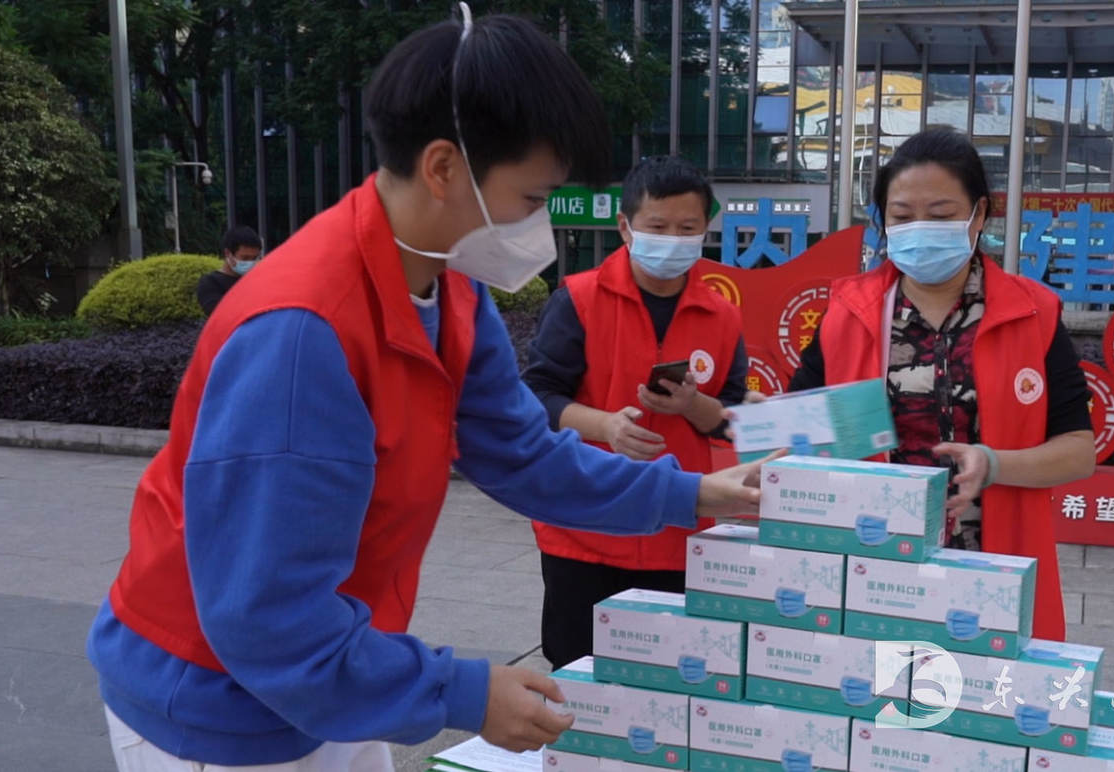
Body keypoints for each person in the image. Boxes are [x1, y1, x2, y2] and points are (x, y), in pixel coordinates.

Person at [85, 8, 768, 771]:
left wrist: (697, 494)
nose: (539, 227)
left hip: (337, 668)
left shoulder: (448, 286)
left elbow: (522, 452)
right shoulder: (302, 335)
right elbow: (262, 615)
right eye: (532, 199)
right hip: (215, 704)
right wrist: (463, 693)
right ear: (443, 169)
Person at [788, 128, 1095, 641]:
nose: (919, 229)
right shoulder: (849, 312)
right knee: (881, 688)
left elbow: (1078, 451)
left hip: (991, 570)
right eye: (902, 216)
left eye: (940, 214)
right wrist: (765, 423)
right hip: (873, 565)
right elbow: (804, 429)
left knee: (981, 689)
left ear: (979, 214)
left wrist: (994, 464)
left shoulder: (1032, 313)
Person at [523, 155, 749, 669]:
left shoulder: (722, 314)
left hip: (679, 530)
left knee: (673, 678)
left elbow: (733, 416)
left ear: (705, 231)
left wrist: (693, 405)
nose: (673, 239)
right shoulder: (579, 299)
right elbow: (537, 394)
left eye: (687, 228)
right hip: (584, 528)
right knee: (579, 672)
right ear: (625, 227)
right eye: (658, 227)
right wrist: (605, 426)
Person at [195, 225, 263, 315]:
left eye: (254, 258)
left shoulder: (257, 280)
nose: (250, 263)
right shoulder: (210, 282)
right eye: (245, 258)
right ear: (228, 253)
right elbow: (220, 314)